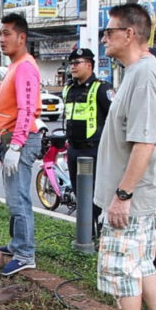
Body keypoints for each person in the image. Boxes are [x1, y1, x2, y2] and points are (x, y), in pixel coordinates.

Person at [79, 4, 156, 310]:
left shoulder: (146, 75)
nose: (104, 37)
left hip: (132, 197)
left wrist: (122, 196)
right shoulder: (139, 72)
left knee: (123, 270)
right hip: (138, 195)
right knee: (142, 261)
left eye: (109, 31)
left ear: (129, 34)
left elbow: (145, 144)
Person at [0, 13, 43, 276]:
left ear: (22, 38)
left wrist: (17, 145)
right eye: (0, 33)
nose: (1, 39)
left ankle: (25, 253)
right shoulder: (15, 65)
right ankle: (17, 244)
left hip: (17, 140)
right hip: (9, 139)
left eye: (7, 33)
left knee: (18, 199)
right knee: (13, 198)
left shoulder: (24, 67)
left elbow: (27, 109)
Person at [62, 48, 112, 237]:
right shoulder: (69, 88)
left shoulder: (101, 88)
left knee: (97, 196)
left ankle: (100, 232)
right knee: (79, 193)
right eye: (71, 63)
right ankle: (86, 233)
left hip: (94, 150)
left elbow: (113, 119)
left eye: (77, 63)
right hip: (74, 150)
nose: (73, 67)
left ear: (89, 65)